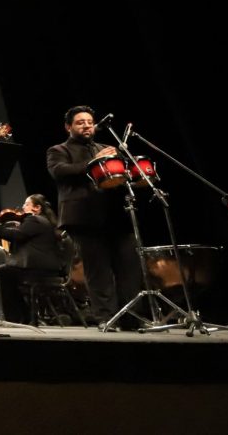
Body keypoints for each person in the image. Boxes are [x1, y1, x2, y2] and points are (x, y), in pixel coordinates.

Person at [46, 105, 141, 327]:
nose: (87, 126)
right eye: (80, 122)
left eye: (90, 122)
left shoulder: (106, 147)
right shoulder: (58, 150)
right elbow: (59, 171)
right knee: (98, 271)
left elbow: (121, 175)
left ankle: (133, 317)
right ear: (68, 127)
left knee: (129, 268)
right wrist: (93, 162)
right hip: (84, 217)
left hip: (115, 214)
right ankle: (107, 318)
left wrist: (127, 168)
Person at [0, 194, 66, 323]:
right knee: (3, 274)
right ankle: (23, 316)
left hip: (36, 268)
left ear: (37, 208)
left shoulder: (35, 220)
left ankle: (13, 316)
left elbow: (18, 235)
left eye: (27, 204)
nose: (23, 207)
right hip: (46, 268)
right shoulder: (44, 221)